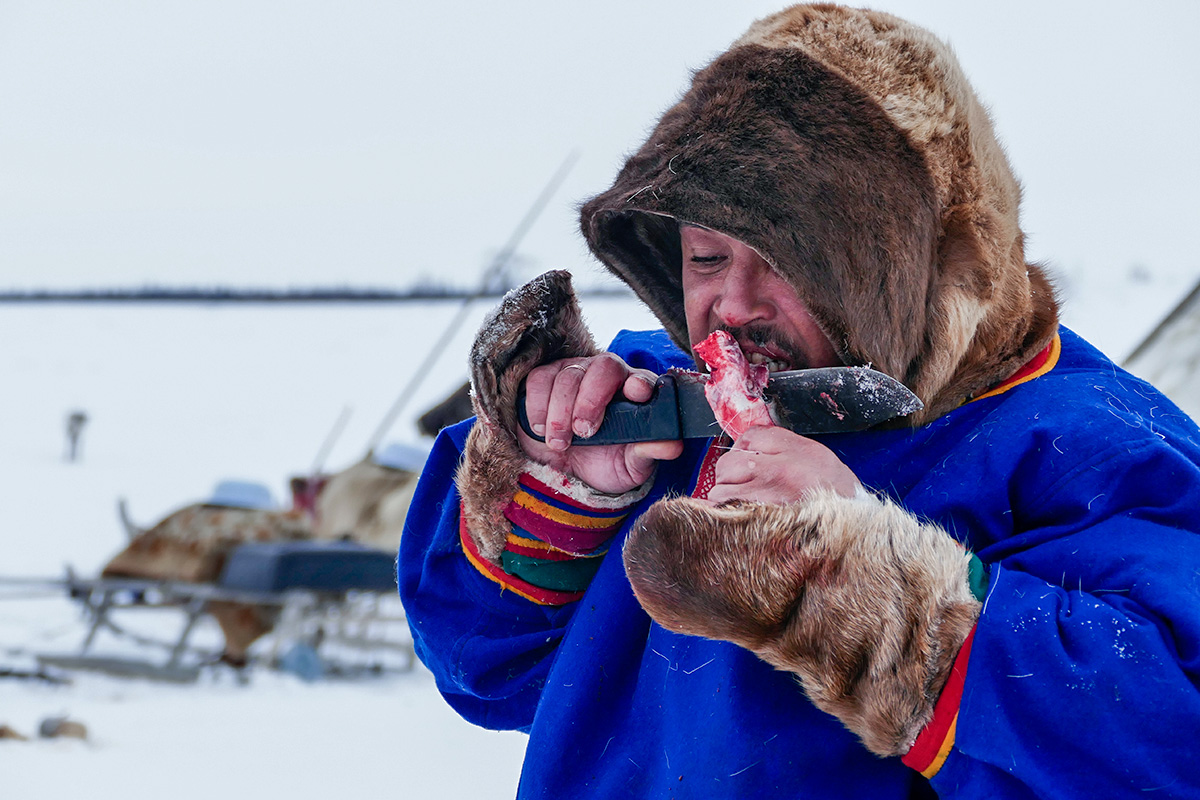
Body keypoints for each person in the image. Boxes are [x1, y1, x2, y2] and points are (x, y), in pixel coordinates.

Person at [399, 5, 1200, 798]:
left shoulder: (1090, 442)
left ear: (908, 262)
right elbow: (484, 669)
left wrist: (862, 578)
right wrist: (559, 483)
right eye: (707, 256)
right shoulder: (656, 406)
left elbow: (1168, 741)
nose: (733, 305)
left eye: (788, 259)